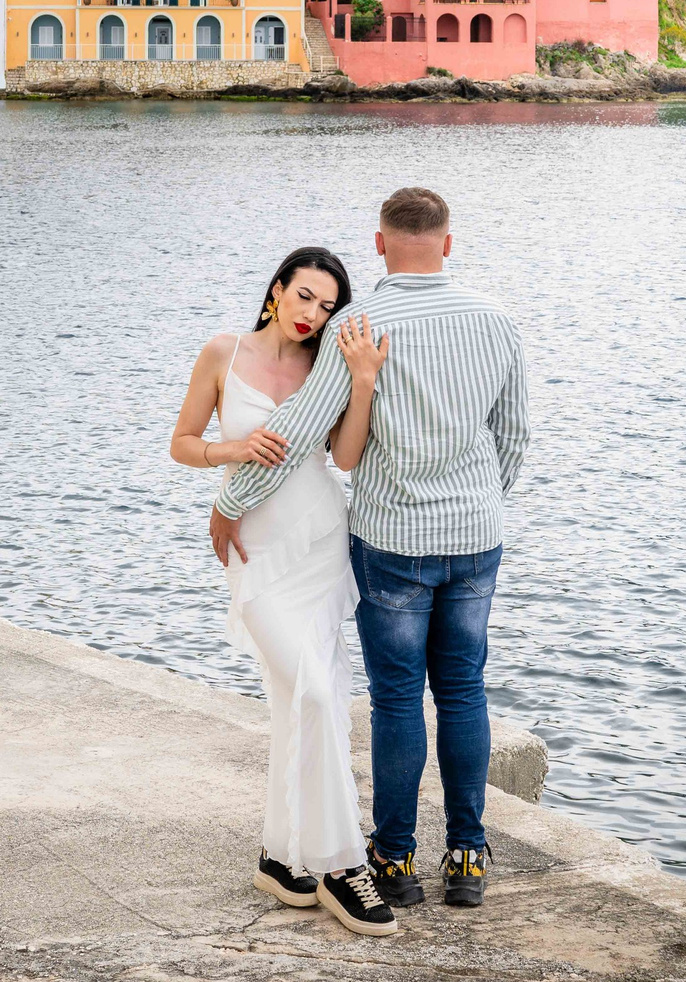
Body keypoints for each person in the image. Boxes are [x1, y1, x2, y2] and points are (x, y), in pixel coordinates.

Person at [210, 187, 529, 914]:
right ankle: (469, 857)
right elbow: (514, 439)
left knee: (395, 699)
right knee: (464, 690)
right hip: (476, 537)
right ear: (448, 244)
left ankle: (393, 857)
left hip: (393, 542)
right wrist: (478, 501)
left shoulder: (360, 323)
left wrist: (229, 504)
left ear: (379, 244)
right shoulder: (498, 320)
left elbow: (297, 432)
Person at [169, 246, 397, 937]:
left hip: (322, 544)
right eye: (304, 297)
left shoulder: (326, 364)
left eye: (327, 306)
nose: (312, 314)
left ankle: (279, 856)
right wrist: (229, 452)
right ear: (276, 291)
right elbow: (182, 442)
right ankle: (338, 864)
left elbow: (347, 457)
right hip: (258, 552)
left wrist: (361, 384)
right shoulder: (222, 352)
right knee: (315, 695)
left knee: (303, 703)